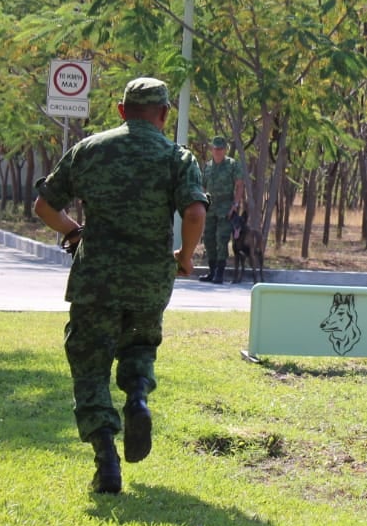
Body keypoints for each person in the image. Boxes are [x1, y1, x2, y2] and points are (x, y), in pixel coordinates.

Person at [33, 77, 208, 494]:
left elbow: (44, 206)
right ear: (165, 114)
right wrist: (184, 257)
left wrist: (75, 232)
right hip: (149, 279)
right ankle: (138, 399)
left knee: (90, 363)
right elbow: (196, 212)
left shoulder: (90, 150)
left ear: (120, 110)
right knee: (140, 345)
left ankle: (106, 459)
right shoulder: (176, 156)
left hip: (96, 279)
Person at [198, 135, 244, 284]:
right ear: (212, 149)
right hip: (210, 207)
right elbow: (203, 186)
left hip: (226, 208)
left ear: (225, 150)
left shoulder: (232, 165)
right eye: (215, 148)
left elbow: (239, 186)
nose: (218, 151)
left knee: (222, 239)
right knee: (209, 239)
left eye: (221, 149)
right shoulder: (208, 166)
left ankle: (220, 273)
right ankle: (212, 272)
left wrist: (235, 205)